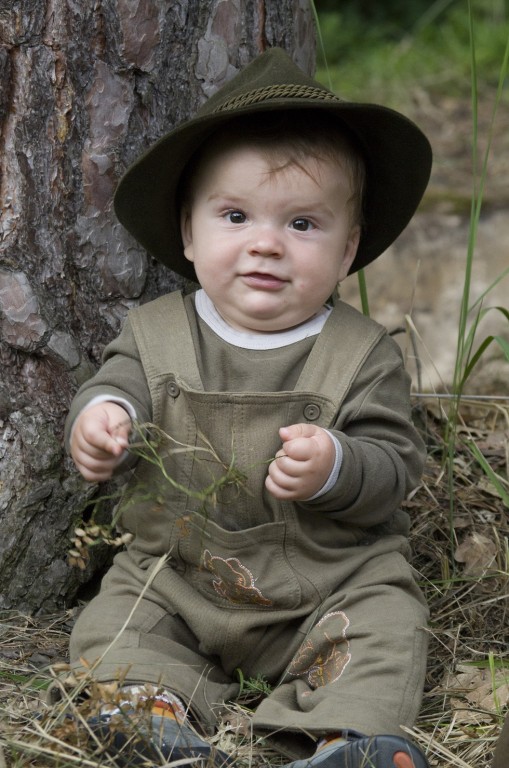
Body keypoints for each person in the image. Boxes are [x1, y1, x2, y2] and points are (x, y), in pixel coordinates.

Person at [65, 48, 433, 768]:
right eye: (235, 215)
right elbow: (114, 385)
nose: (265, 243)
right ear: (188, 232)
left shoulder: (362, 352)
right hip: (177, 575)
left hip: (328, 583)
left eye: (302, 225)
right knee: (120, 622)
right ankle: (148, 715)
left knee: (387, 624)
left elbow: (394, 466)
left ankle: (349, 739)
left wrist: (337, 466)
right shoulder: (156, 333)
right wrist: (99, 419)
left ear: (348, 246)